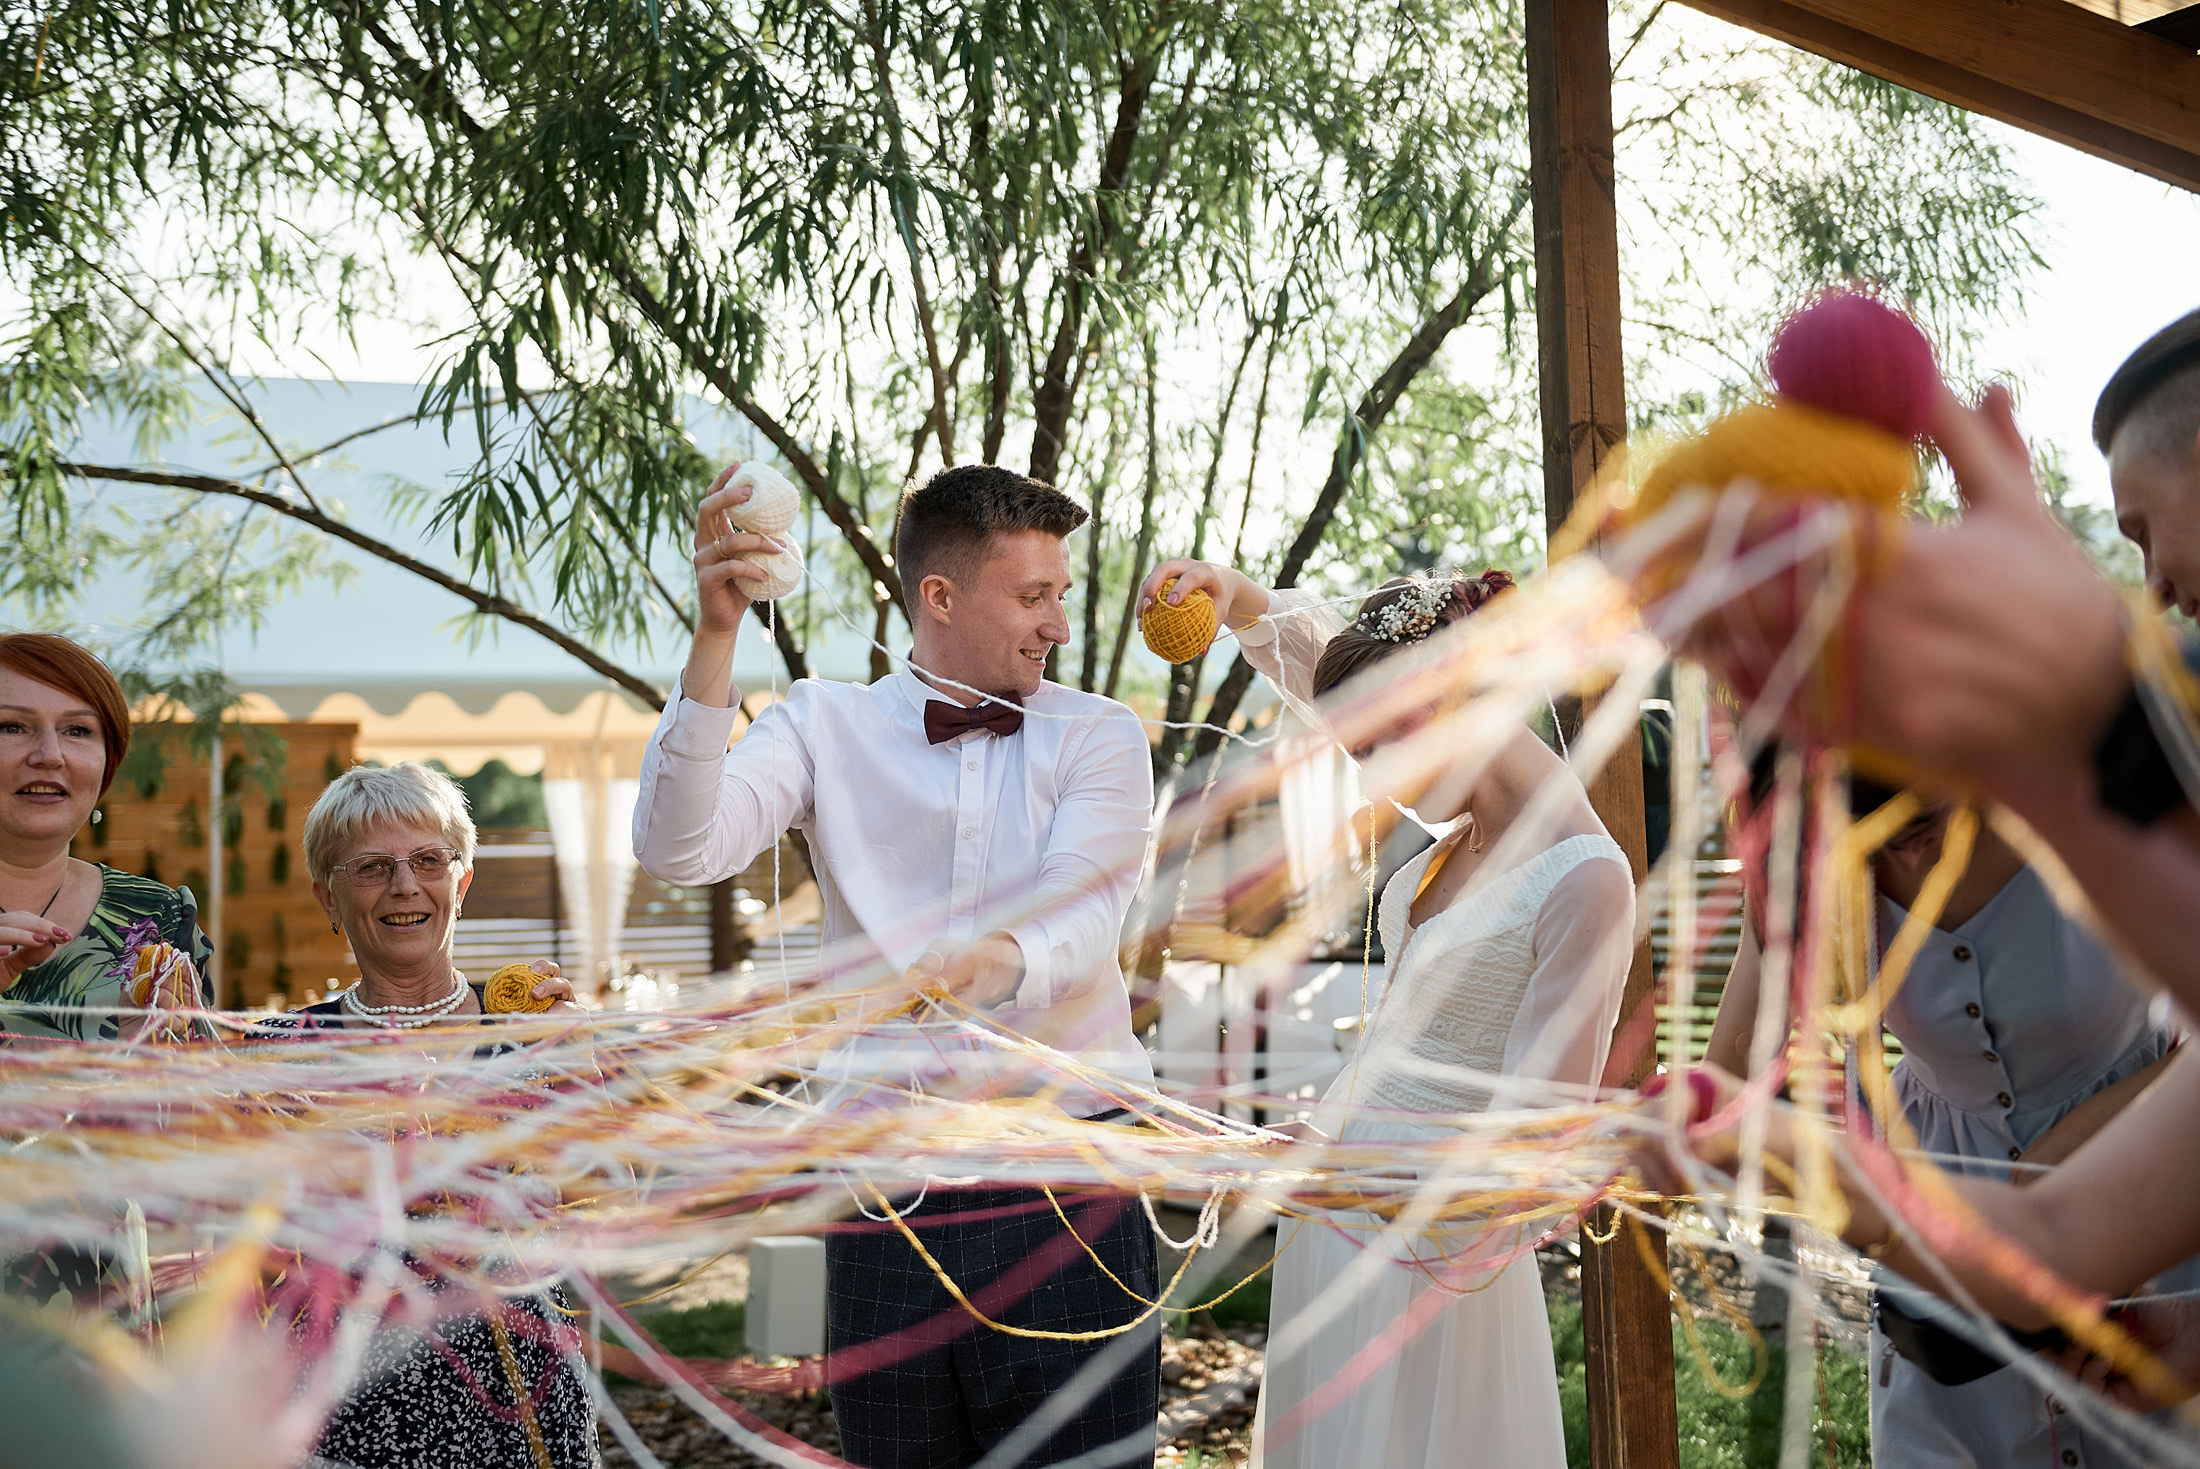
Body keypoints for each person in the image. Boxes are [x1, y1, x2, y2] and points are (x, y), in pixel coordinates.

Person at [633, 463, 1161, 1469]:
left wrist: (995, 961)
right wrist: (715, 636)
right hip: (883, 1200)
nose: (1057, 622)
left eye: (1058, 592)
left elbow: (1084, 909)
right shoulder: (820, 723)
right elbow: (677, 848)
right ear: (940, 595)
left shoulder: (1097, 734)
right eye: (1033, 594)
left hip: (1064, 1184)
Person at [1137, 558, 1635, 1469]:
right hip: (1335, 1241)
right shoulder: (1464, 833)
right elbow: (1335, 677)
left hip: (1432, 1289)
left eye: (1376, 753)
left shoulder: (1584, 881)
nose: (1371, 783)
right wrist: (1234, 594)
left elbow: (1528, 1162)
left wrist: (1352, 1171)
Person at [1705, 775, 2192, 1468]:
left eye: (1924, 818)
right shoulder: (1812, 852)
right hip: (1944, 1256)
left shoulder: (2087, 785)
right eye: (1878, 838)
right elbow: (1727, 1075)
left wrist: (2072, 1147)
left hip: (2153, 1175)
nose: (1908, 859)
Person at [257, 761, 594, 1469]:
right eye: (372, 867)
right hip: (350, 1421)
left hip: (526, 1413)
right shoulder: (283, 1054)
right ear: (329, 897)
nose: (405, 885)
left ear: (461, 880)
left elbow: (604, 1197)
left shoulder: (530, 1027)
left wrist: (582, 1068)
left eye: (428, 860)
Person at [0, 633, 210, 1041]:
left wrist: (148, 1055)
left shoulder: (161, 917)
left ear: (107, 763)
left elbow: (204, 1095)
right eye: (11, 726)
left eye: (77, 730)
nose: (49, 754)